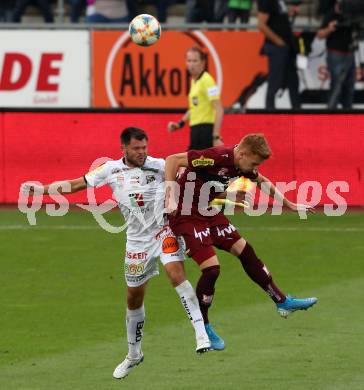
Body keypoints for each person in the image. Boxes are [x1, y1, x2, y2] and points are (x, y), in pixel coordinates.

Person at [21, 127, 211, 380]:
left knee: (176, 274)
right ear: (124, 148)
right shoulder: (110, 170)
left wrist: (222, 192)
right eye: (136, 148)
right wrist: (42, 190)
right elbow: (76, 184)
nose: (142, 152)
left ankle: (201, 333)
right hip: (136, 242)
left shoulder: (161, 165)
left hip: (164, 231)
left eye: (145, 147)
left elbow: (193, 183)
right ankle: (134, 354)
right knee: (133, 297)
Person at [164, 134, 318, 350]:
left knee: (245, 251)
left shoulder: (242, 163)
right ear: (242, 153)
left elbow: (260, 181)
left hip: (207, 211)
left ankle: (282, 301)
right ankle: (204, 327)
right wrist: (170, 195)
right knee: (212, 269)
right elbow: (173, 160)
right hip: (184, 215)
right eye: (254, 163)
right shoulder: (215, 157)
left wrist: (290, 204)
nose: (254, 167)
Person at [167, 47, 224, 150]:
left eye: (195, 61)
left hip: (205, 131)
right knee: (188, 163)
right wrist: (179, 124)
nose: (191, 64)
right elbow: (193, 108)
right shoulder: (194, 81)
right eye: (189, 61)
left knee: (185, 163)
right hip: (195, 131)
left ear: (203, 63)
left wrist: (215, 136)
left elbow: (219, 109)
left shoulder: (207, 80)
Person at [257, 0, 300, 109]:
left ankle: (298, 114)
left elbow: (277, 18)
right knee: (275, 82)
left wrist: (290, 12)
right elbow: (261, 25)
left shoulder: (279, 2)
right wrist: (278, 41)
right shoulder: (267, 2)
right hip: (276, 47)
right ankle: (270, 115)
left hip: (286, 47)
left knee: (293, 82)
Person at [316, 0, 356, 109]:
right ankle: (331, 116)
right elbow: (320, 34)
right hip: (336, 54)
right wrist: (330, 28)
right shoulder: (331, 13)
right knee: (336, 88)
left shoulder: (352, 13)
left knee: (349, 89)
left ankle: (348, 118)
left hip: (350, 54)